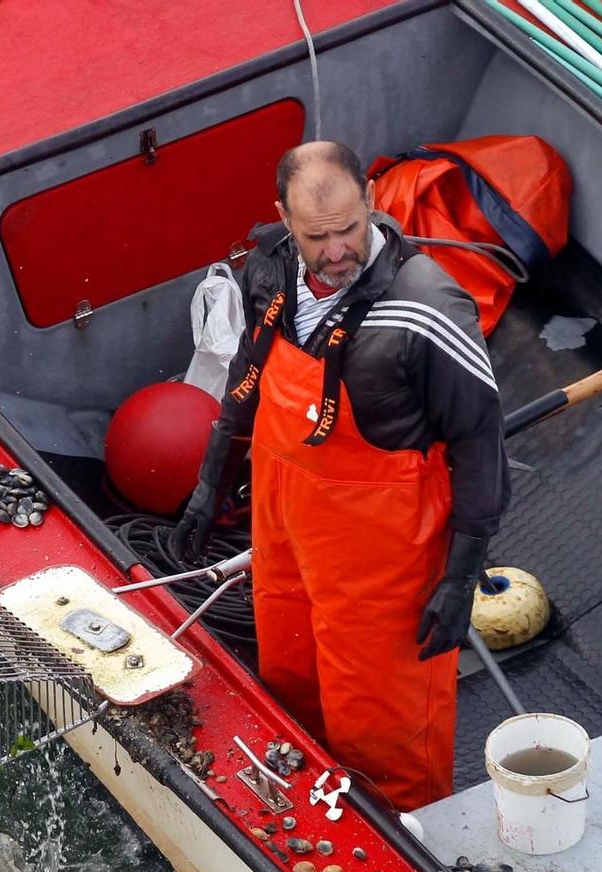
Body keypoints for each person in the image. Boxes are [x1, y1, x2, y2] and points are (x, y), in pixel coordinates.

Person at [174, 140, 508, 810]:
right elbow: (246, 377)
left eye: (350, 229)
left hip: (382, 560)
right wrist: (210, 486)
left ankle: (403, 847)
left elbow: (480, 447)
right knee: (289, 677)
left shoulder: (430, 309)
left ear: (373, 201)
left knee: (383, 733)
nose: (335, 252)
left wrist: (460, 578)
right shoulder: (268, 264)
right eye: (316, 236)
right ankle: (302, 806)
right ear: (283, 218)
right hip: (285, 529)